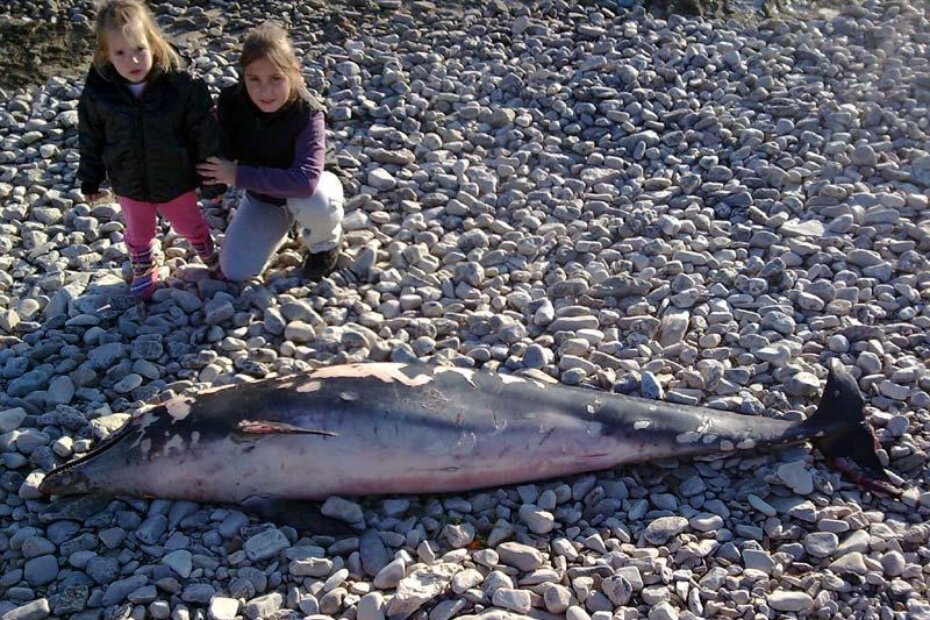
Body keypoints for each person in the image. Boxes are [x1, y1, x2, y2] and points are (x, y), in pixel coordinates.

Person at [77, 0, 225, 300]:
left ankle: (208, 254)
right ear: (106, 54)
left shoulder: (180, 84)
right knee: (138, 230)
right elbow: (90, 136)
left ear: (154, 44)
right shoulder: (99, 92)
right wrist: (91, 178)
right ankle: (143, 264)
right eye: (120, 53)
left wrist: (213, 181)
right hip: (129, 180)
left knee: (190, 222)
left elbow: (205, 132)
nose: (132, 60)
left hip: (175, 178)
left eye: (139, 49)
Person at [197, 22, 344, 283]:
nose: (265, 91)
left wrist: (238, 175)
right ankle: (281, 228)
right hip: (265, 197)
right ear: (243, 77)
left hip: (310, 188)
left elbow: (305, 182)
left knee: (315, 201)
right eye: (254, 79)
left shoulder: (307, 113)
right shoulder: (232, 101)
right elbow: (221, 150)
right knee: (235, 271)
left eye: (276, 78)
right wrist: (213, 186)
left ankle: (325, 244)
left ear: (294, 75)